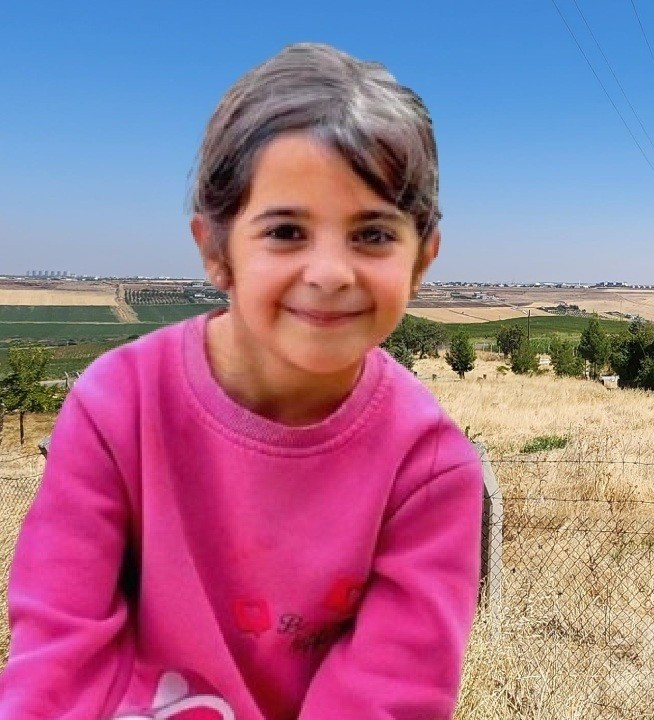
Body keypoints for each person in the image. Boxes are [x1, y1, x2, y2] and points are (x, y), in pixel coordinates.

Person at [0, 43, 483, 719]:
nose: (329, 272)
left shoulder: (428, 471)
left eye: (372, 235)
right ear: (214, 250)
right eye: (286, 230)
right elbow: (58, 665)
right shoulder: (117, 408)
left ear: (423, 258)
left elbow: (387, 699)